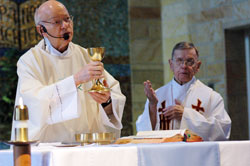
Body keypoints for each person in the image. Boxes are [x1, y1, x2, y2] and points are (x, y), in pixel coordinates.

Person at [11, 0, 126, 143]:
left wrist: (106, 101)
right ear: (41, 30)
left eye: (67, 19)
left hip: (86, 144)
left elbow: (114, 94)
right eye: (57, 22)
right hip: (51, 147)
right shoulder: (30, 61)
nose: (65, 25)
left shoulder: (85, 55)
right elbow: (34, 104)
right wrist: (76, 80)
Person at [136, 41, 231, 141]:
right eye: (179, 60)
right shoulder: (157, 96)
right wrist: (152, 106)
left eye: (190, 61)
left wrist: (186, 115)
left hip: (198, 154)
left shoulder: (211, 97)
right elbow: (143, 132)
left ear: (198, 66)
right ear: (171, 64)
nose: (184, 66)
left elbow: (222, 131)